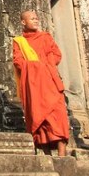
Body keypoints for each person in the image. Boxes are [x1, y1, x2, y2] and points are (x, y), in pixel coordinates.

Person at [13, 9, 69, 156]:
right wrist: (37, 67)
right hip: (34, 85)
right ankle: (47, 155)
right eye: (32, 19)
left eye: (37, 18)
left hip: (50, 81)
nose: (36, 20)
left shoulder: (46, 37)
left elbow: (56, 55)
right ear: (23, 22)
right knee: (39, 119)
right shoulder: (19, 42)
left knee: (58, 117)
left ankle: (62, 155)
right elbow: (18, 62)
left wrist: (45, 66)